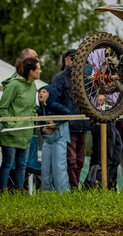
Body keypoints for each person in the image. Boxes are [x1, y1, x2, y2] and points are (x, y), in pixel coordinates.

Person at [0, 56, 40, 192]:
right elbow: (1, 108)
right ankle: (2, 192)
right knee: (8, 163)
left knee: (22, 165)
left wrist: (31, 124)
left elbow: (32, 108)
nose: (41, 71)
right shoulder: (13, 85)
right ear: (31, 72)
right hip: (11, 134)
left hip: (25, 133)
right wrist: (12, 125)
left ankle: (19, 191)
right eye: (38, 69)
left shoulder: (33, 85)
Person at [52, 48, 90, 189]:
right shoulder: (59, 79)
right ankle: (72, 189)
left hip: (83, 125)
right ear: (66, 61)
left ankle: (74, 188)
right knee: (71, 160)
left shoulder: (85, 78)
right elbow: (54, 102)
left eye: (80, 58)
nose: (77, 61)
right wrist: (64, 117)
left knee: (80, 161)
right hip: (67, 127)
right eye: (74, 59)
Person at [37, 85, 71, 193]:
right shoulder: (40, 109)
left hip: (59, 139)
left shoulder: (55, 105)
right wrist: (43, 129)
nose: (41, 94)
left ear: (50, 94)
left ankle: (63, 193)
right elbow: (40, 124)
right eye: (40, 92)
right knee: (45, 168)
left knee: (58, 167)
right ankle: (46, 193)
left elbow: (68, 114)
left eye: (44, 92)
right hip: (47, 140)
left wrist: (55, 123)